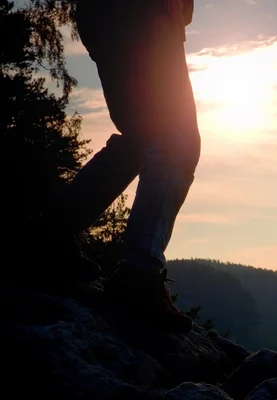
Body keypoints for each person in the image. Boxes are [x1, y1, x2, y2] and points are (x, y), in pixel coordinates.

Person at [30, 0, 200, 333]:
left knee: (142, 138)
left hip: (111, 17)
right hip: (142, 15)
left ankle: (49, 238)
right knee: (174, 140)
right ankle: (138, 277)